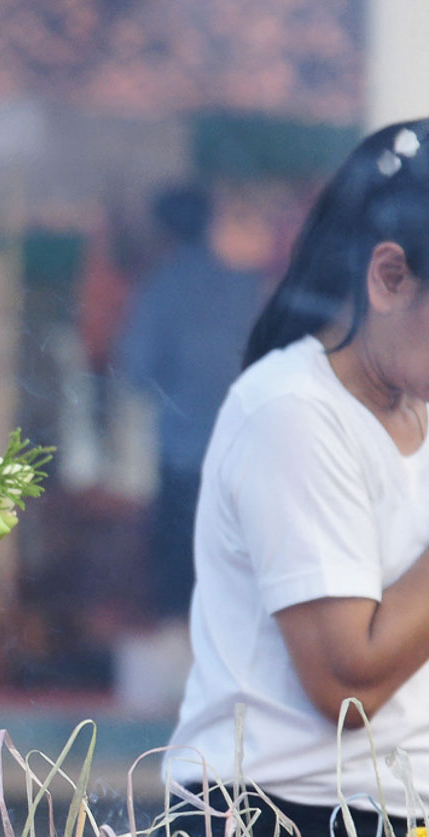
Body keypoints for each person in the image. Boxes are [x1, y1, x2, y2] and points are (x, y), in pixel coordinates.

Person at [168, 121, 429, 837]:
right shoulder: (291, 411)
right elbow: (348, 686)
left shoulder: (410, 400)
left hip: (386, 836)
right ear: (389, 278)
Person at [114, 184, 265, 621]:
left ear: (163, 230)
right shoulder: (244, 287)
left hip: (182, 454)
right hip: (245, 455)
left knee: (180, 586)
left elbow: (136, 372)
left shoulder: (160, 289)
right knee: (238, 582)